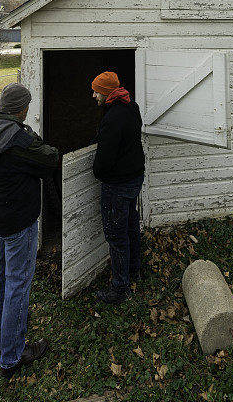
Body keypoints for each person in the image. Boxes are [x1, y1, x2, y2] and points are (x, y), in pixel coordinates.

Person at [0, 82, 59, 379]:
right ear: (22, 109)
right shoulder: (19, 142)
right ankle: (12, 356)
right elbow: (50, 158)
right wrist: (31, 135)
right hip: (18, 222)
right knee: (18, 283)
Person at [91, 71, 145, 304]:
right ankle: (135, 269)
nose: (93, 95)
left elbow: (104, 160)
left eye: (96, 91)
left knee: (116, 234)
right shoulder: (131, 107)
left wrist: (98, 173)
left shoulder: (112, 119)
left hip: (118, 184)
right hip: (135, 178)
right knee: (131, 224)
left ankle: (119, 288)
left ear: (106, 93)